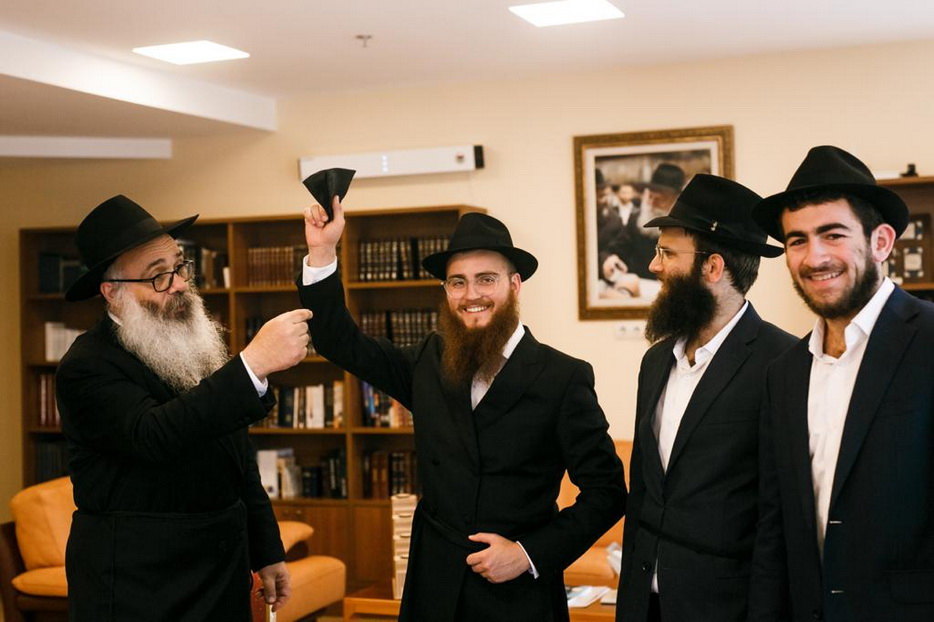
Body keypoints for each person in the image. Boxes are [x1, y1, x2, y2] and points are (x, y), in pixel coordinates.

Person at [299, 202, 627, 622]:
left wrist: (527, 554)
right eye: (458, 282)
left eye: (486, 279)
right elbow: (339, 342)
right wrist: (322, 252)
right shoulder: (428, 361)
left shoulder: (562, 377)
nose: (471, 295)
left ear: (515, 285)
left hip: (516, 597)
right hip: (433, 589)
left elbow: (607, 492)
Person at [56, 195, 312, 621]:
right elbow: (155, 435)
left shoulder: (186, 343)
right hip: (141, 584)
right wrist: (252, 364)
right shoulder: (87, 365)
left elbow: (235, 456)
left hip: (219, 570)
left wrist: (267, 550)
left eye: (179, 267)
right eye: (158, 276)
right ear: (113, 293)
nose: (177, 284)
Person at [748, 146, 934, 622]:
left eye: (833, 234)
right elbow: (774, 526)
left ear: (881, 242)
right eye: (797, 240)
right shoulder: (783, 373)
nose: (814, 257)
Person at [616, 175, 795, 622]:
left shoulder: (784, 363)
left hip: (724, 609)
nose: (653, 266)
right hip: (644, 604)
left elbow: (779, 519)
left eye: (667, 253)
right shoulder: (656, 361)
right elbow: (643, 495)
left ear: (713, 268)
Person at [601, 163, 685, 282]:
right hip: (640, 286)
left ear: (676, 199)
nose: (653, 202)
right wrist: (609, 259)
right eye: (651, 195)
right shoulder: (636, 219)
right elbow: (614, 250)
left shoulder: (687, 227)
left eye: (661, 197)